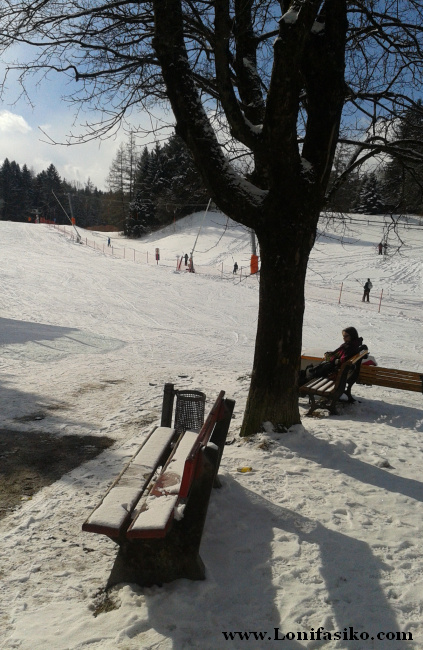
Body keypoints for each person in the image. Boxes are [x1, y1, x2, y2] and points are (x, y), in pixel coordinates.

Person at [299, 327, 364, 386]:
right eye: (343, 336)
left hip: (335, 372)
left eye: (346, 336)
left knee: (312, 372)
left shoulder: (349, 347)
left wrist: (329, 357)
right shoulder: (353, 345)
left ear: (352, 335)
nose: (344, 338)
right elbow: (337, 355)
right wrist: (330, 356)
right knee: (314, 370)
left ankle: (301, 383)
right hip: (342, 372)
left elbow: (341, 361)